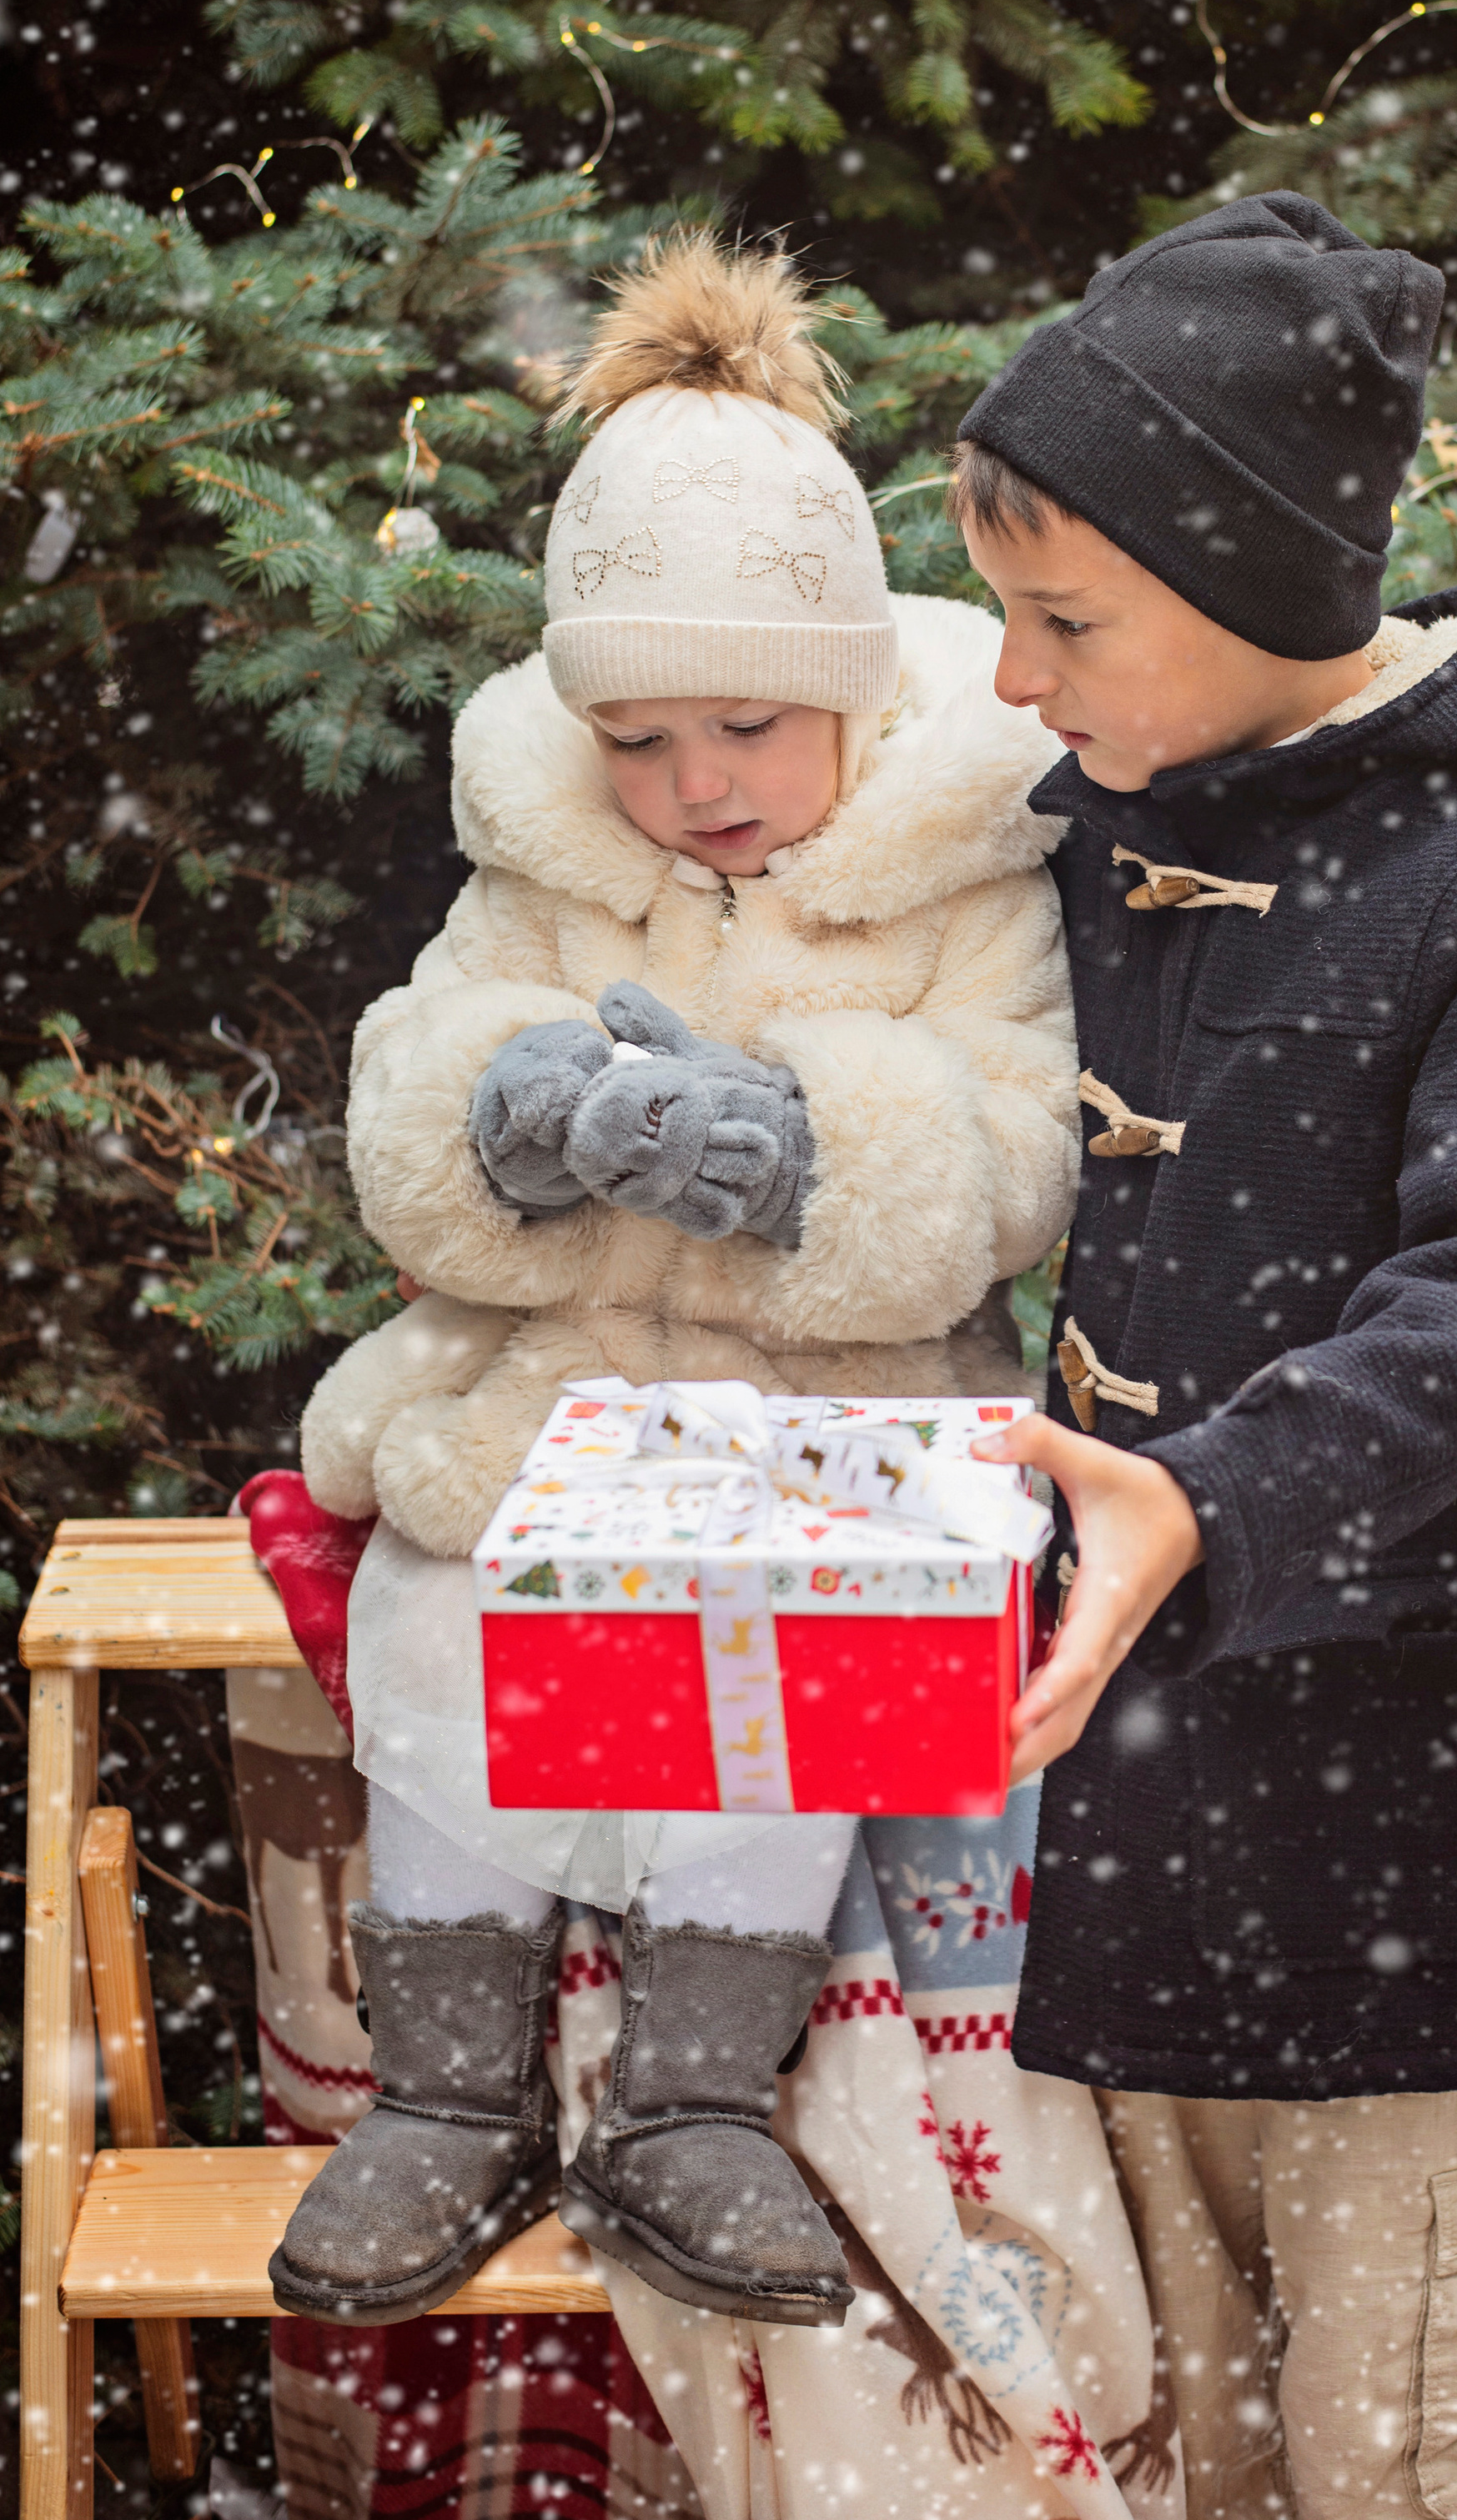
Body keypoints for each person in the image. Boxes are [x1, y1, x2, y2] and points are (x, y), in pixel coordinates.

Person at [274, 232, 1081, 2339]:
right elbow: (407, 1097)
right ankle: (446, 2092)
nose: (694, 783)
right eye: (636, 738)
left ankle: (689, 2097)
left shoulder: (964, 860)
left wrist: (822, 1142)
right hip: (547, 1389)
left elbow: (1016, 1140)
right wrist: (503, 1121)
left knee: (774, 1670)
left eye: (744, 724)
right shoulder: (542, 856)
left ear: (850, 694)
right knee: (454, 1612)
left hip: (833, 1414)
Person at [953, 192, 1457, 2517]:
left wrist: (1222, 1492)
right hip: (1122, 1820)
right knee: (1169, 2440)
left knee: (1412, 2445)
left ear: (1247, 589)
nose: (1011, 679)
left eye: (1063, 621)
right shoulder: (1086, 823)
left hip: (1392, 1835)